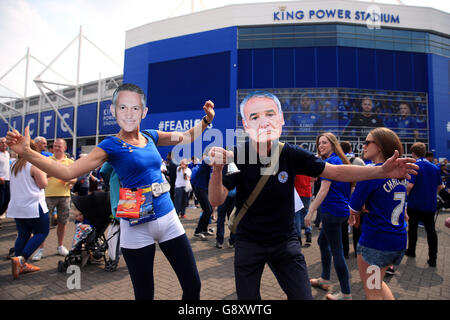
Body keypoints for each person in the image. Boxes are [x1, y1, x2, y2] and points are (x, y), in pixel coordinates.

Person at [6, 83, 214, 300]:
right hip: (136, 227)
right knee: (145, 296)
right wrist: (27, 153)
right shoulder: (110, 145)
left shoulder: (150, 136)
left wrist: (206, 120)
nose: (129, 113)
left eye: (135, 108)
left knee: (193, 286)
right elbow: (67, 172)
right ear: (115, 112)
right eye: (122, 108)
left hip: (168, 220)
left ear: (144, 112)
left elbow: (187, 136)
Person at [207, 91, 418, 300]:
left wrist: (380, 171)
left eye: (270, 114)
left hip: (284, 243)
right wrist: (216, 171)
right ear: (246, 125)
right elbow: (216, 200)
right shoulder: (238, 155)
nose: (263, 122)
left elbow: (335, 172)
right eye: (255, 116)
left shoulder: (289, 153)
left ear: (280, 120)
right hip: (249, 243)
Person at [348, 128, 408, 300]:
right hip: (398, 240)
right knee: (378, 284)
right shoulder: (400, 173)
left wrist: (358, 207)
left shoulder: (371, 172)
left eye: (368, 142)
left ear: (380, 146)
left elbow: (353, 208)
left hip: (375, 243)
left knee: (372, 292)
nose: (364, 146)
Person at [305, 132, 353, 300]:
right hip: (338, 211)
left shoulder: (331, 162)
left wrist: (310, 212)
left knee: (337, 252)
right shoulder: (338, 160)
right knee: (322, 241)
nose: (321, 146)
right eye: (319, 143)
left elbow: (324, 190)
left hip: (332, 212)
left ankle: (346, 292)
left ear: (333, 144)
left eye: (324, 143)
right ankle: (325, 279)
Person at [8, 140, 49, 279]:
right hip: (34, 206)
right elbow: (43, 184)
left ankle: (19, 262)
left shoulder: (14, 164)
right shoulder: (35, 165)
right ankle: (21, 259)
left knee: (23, 234)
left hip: (18, 207)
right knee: (42, 232)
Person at [33, 138, 77, 261]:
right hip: (47, 195)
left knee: (63, 223)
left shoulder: (70, 162)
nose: (57, 148)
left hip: (64, 196)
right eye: (55, 146)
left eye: (59, 146)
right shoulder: (47, 161)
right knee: (43, 224)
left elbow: (74, 179)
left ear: (65, 148)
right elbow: (38, 176)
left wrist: (69, 180)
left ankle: (60, 246)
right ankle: (40, 249)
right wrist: (52, 173)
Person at [405, 142, 446, 267]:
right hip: (430, 204)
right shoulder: (435, 167)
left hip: (415, 203)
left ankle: (411, 251)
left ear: (413, 153)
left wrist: (404, 194)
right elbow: (440, 187)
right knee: (431, 230)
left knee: (412, 229)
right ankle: (432, 258)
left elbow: (410, 186)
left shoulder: (414, 166)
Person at [191, 155, 214, 240]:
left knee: (209, 210)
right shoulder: (206, 160)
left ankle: (204, 229)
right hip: (200, 189)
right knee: (207, 210)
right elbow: (211, 162)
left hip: (204, 188)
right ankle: (198, 231)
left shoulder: (208, 162)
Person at [294, 175, 312, 246]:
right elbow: (314, 179)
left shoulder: (296, 168)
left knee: (297, 215)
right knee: (306, 213)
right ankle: (308, 233)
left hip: (298, 192)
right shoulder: (308, 166)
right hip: (307, 191)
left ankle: (298, 237)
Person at [0, 137, 11, 220]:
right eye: (2, 142)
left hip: (8, 180)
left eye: (5, 142)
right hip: (1, 180)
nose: (4, 144)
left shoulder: (7, 153)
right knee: (1, 201)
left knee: (7, 201)